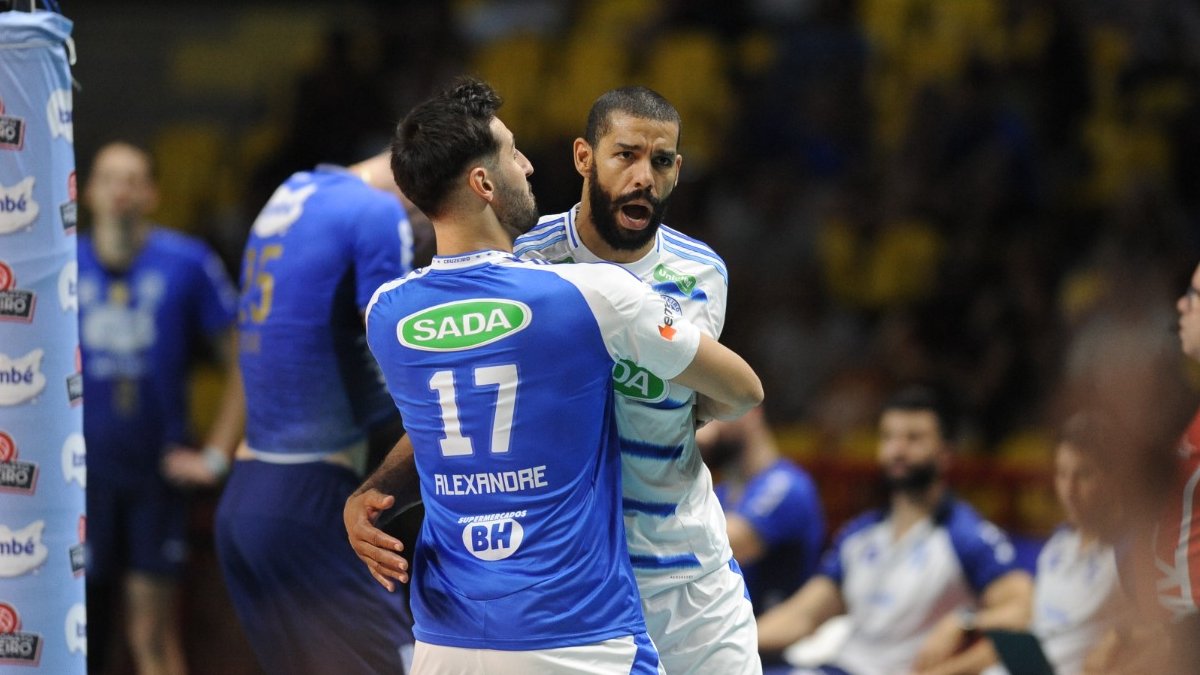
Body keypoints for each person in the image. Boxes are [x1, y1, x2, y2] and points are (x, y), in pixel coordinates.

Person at [349, 85, 763, 673]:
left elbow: (724, 393)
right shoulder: (535, 262)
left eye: (662, 160)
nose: (644, 175)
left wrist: (697, 408)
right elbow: (469, 405)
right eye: (627, 155)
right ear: (585, 158)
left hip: (683, 569)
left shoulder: (702, 271)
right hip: (580, 579)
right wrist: (376, 488)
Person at [171, 151, 418, 675]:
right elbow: (397, 352)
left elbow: (278, 342)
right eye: (429, 215)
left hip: (246, 500)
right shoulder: (378, 213)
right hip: (308, 501)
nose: (427, 230)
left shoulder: (293, 193)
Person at [79, 141, 244, 675]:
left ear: (151, 194)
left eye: (133, 180)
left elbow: (244, 360)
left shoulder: (187, 262)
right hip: (77, 484)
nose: (121, 191)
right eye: (109, 179)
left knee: (150, 635)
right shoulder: (60, 264)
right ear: (87, 192)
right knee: (78, 638)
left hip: (156, 480)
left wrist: (217, 456)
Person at [756, 384, 1034, 675]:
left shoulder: (967, 536)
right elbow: (803, 616)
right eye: (888, 437)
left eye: (913, 438)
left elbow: (1023, 610)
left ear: (945, 453)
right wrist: (731, 638)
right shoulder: (859, 534)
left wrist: (965, 622)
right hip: (836, 668)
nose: (897, 450)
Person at [978, 412, 1124, 675]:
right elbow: (1031, 625)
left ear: (1114, 479)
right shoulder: (1058, 544)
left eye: (1084, 475)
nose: (1069, 490)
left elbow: (1162, 631)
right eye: (1061, 474)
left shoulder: (1132, 555)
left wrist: (1120, 640)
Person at [695, 406, 826, 616]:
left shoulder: (787, 485)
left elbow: (722, 543)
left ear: (750, 410)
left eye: (712, 415)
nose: (703, 430)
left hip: (771, 641)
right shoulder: (718, 493)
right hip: (729, 635)